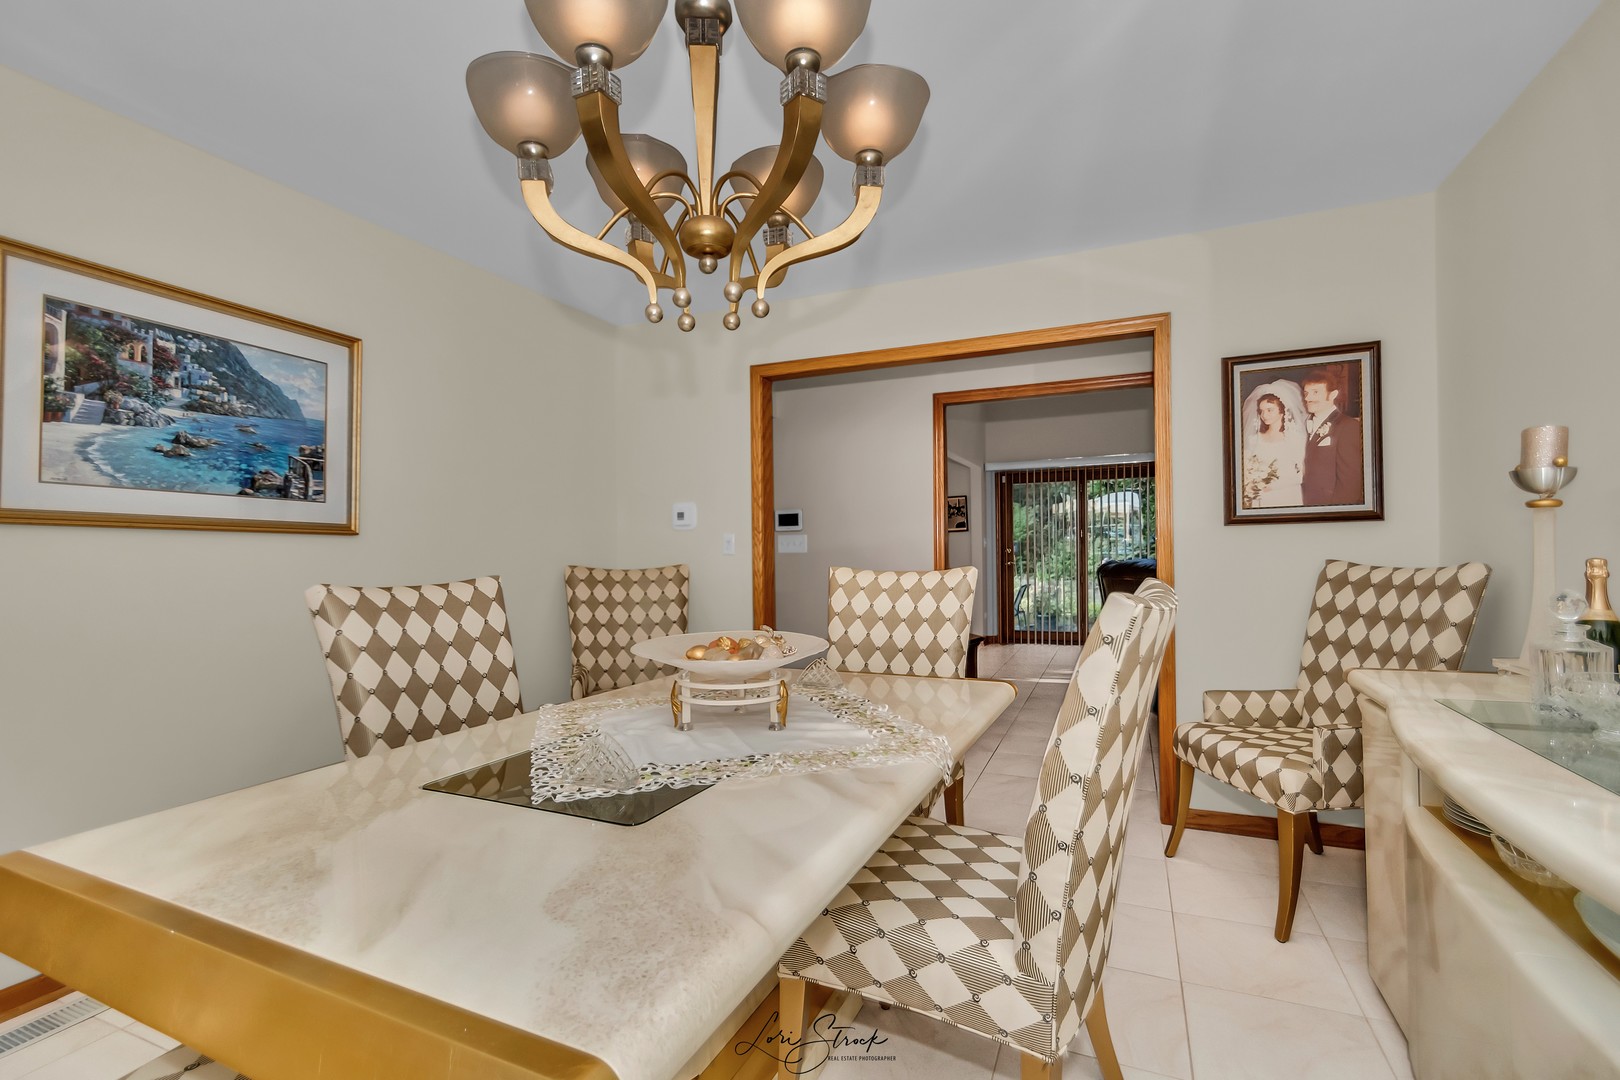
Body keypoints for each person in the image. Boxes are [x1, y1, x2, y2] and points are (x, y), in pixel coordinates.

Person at [1299, 368, 1364, 506]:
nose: (1307, 398)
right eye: (1306, 393)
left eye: (1315, 392)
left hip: (1329, 505)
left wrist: (1336, 514)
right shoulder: (1305, 423)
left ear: (1333, 394)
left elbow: (1350, 483)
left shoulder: (1348, 426)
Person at [1240, 381, 1305, 508]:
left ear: (1282, 411)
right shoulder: (1255, 439)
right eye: (1261, 411)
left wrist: (1272, 486)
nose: (1264, 415)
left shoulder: (1295, 439)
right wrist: (1252, 482)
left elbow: (1302, 475)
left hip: (1286, 495)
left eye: (1270, 410)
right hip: (1259, 497)